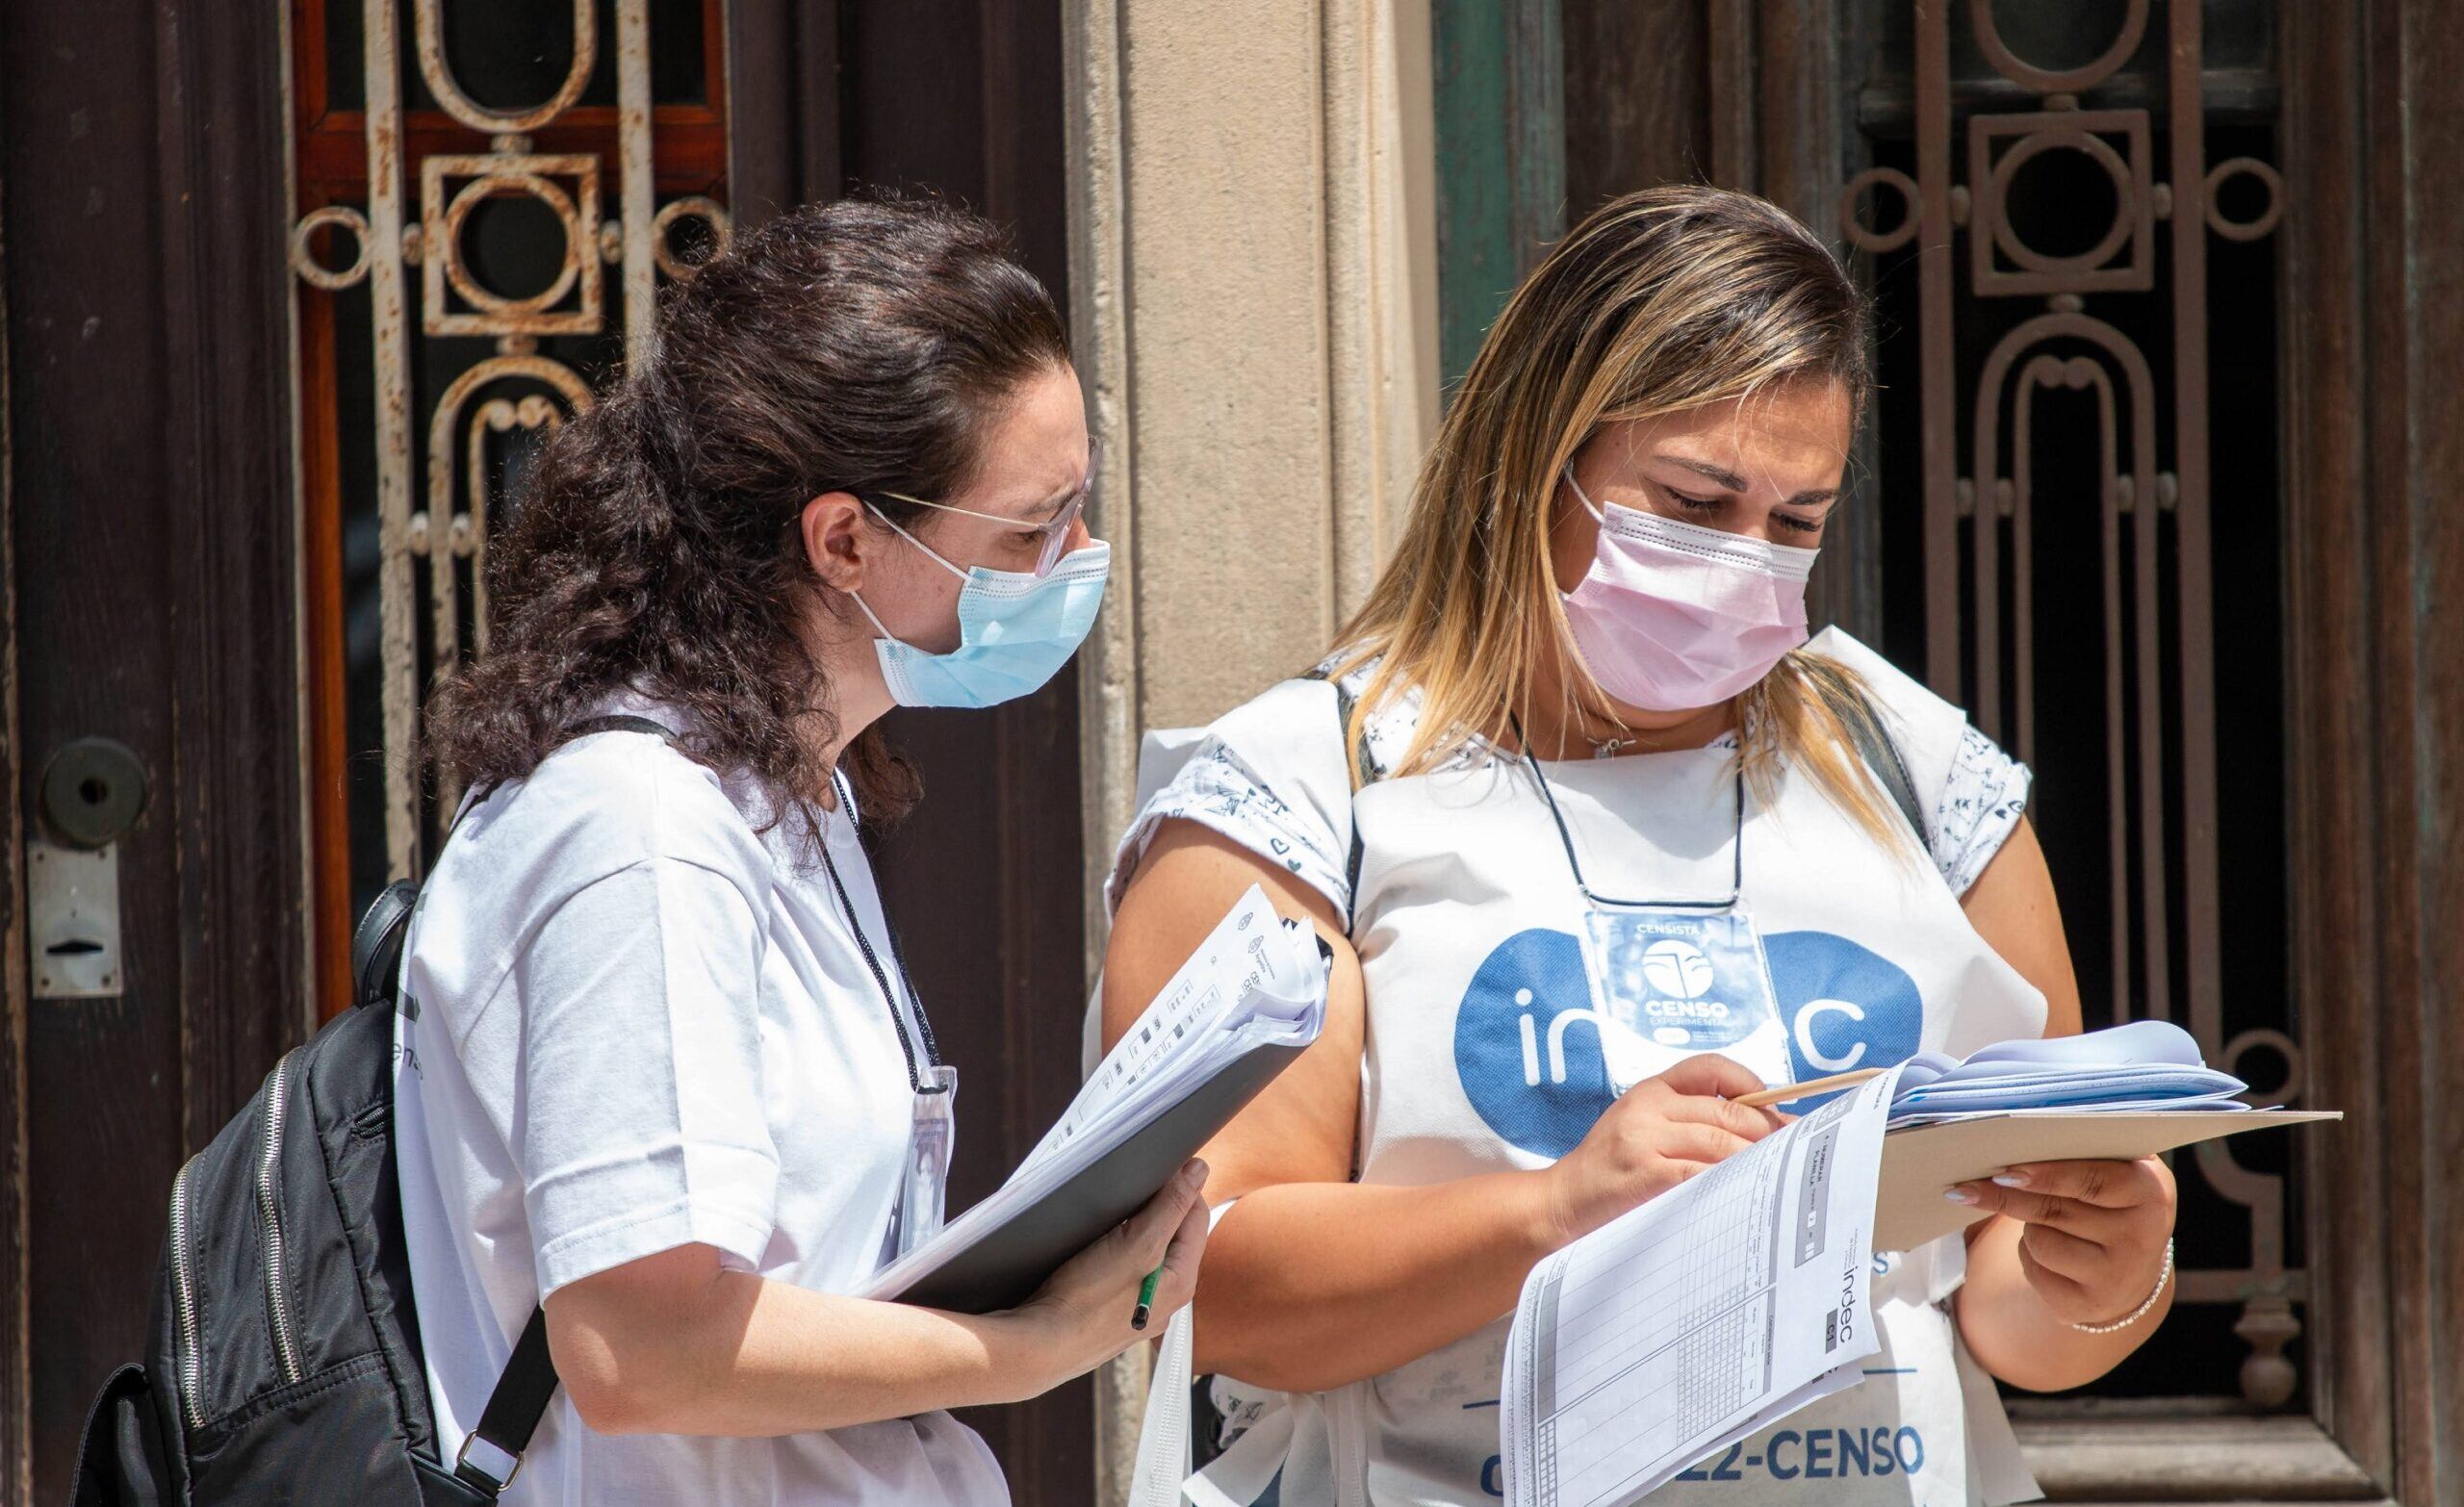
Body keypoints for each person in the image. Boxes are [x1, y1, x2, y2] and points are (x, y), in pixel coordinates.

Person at [1101, 185, 2178, 1506]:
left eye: (1796, 522)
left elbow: (2006, 1300)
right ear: (1532, 457)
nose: (1745, 562)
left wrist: (2106, 1273)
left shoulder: (1915, 768)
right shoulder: (1303, 787)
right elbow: (1196, 1275)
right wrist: (1558, 1209)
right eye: (1694, 499)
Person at [395, 194, 1207, 1505]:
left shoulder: (779, 786)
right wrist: (1022, 1349)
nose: (1080, 561)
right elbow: (639, 1343)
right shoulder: (646, 833)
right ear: (843, 540)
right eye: (1030, 531)